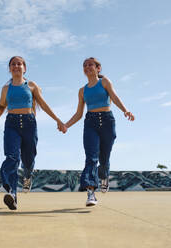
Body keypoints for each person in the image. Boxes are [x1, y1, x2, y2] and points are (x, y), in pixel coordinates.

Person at [0, 56, 66, 210]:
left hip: (29, 124)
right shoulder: (6, 89)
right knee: (12, 157)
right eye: (13, 64)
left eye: (19, 64)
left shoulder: (31, 86)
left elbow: (44, 105)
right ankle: (12, 193)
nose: (16, 66)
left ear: (24, 68)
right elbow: (0, 109)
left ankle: (28, 175)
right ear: (9, 69)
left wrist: (58, 120)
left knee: (29, 158)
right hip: (11, 124)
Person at [64, 57, 135, 207]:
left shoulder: (104, 82)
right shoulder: (82, 91)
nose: (87, 67)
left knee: (104, 158)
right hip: (90, 123)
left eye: (90, 65)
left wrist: (125, 110)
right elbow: (78, 114)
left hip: (107, 121)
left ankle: (104, 177)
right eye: (85, 65)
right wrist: (66, 125)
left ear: (98, 68)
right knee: (91, 157)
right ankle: (91, 193)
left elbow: (114, 97)